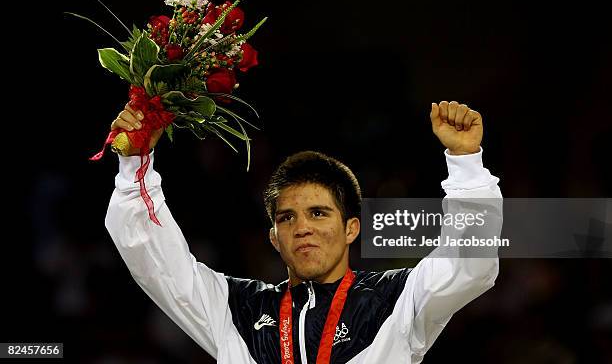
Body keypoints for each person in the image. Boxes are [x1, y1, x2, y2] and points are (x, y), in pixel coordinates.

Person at [105, 100, 502, 363]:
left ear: (351, 229)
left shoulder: (397, 299)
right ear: (274, 238)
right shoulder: (236, 310)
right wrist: (135, 162)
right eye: (287, 218)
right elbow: (157, 262)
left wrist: (466, 163)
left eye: (318, 213)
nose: (302, 228)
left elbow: (470, 264)